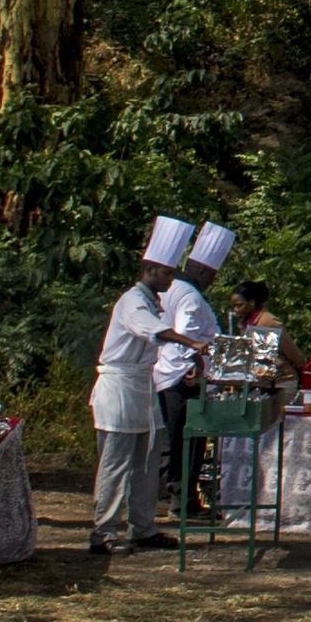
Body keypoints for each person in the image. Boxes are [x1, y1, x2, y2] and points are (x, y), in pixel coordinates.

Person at [92, 221, 188, 552]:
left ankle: (143, 527)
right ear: (149, 269)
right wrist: (190, 343)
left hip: (141, 386)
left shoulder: (150, 299)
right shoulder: (133, 301)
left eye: (171, 273)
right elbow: (152, 330)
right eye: (165, 273)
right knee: (116, 463)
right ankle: (103, 532)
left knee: (147, 462)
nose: (170, 280)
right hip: (120, 388)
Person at [157, 223, 234, 520]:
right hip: (182, 379)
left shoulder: (170, 289)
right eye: (212, 276)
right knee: (189, 442)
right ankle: (183, 502)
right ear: (204, 272)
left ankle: (178, 497)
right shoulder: (189, 295)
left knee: (176, 441)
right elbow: (185, 333)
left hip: (165, 375)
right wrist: (194, 364)